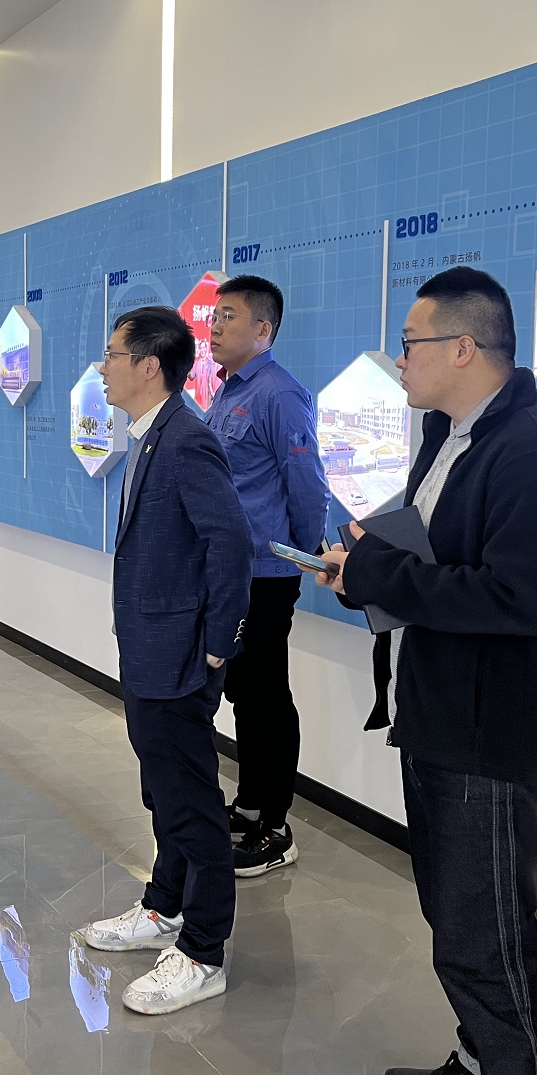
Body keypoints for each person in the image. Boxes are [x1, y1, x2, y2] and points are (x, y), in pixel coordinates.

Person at [313, 267, 537, 1075]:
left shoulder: (536, 456)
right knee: (458, 924)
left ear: (464, 347)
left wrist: (379, 575)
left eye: (411, 343)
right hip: (441, 716)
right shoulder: (450, 438)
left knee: (490, 940)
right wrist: (363, 569)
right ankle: (480, 1067)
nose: (400, 360)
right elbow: (438, 560)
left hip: (491, 737)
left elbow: (518, 600)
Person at [80, 305, 253, 1016]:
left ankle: (204, 951)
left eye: (112, 355)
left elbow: (230, 543)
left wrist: (217, 642)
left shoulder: (185, 439)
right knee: (164, 790)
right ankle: (165, 906)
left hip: (180, 656)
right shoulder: (153, 435)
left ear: (149, 365)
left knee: (190, 802)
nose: (102, 368)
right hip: (152, 649)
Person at [203, 274, 329, 877]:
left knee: (266, 695)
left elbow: (307, 485)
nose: (215, 326)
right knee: (244, 693)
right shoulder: (227, 391)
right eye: (215, 316)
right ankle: (250, 803)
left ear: (263, 329)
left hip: (267, 573)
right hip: (233, 570)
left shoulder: (279, 394)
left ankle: (275, 826)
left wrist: (298, 555)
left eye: (228, 316)